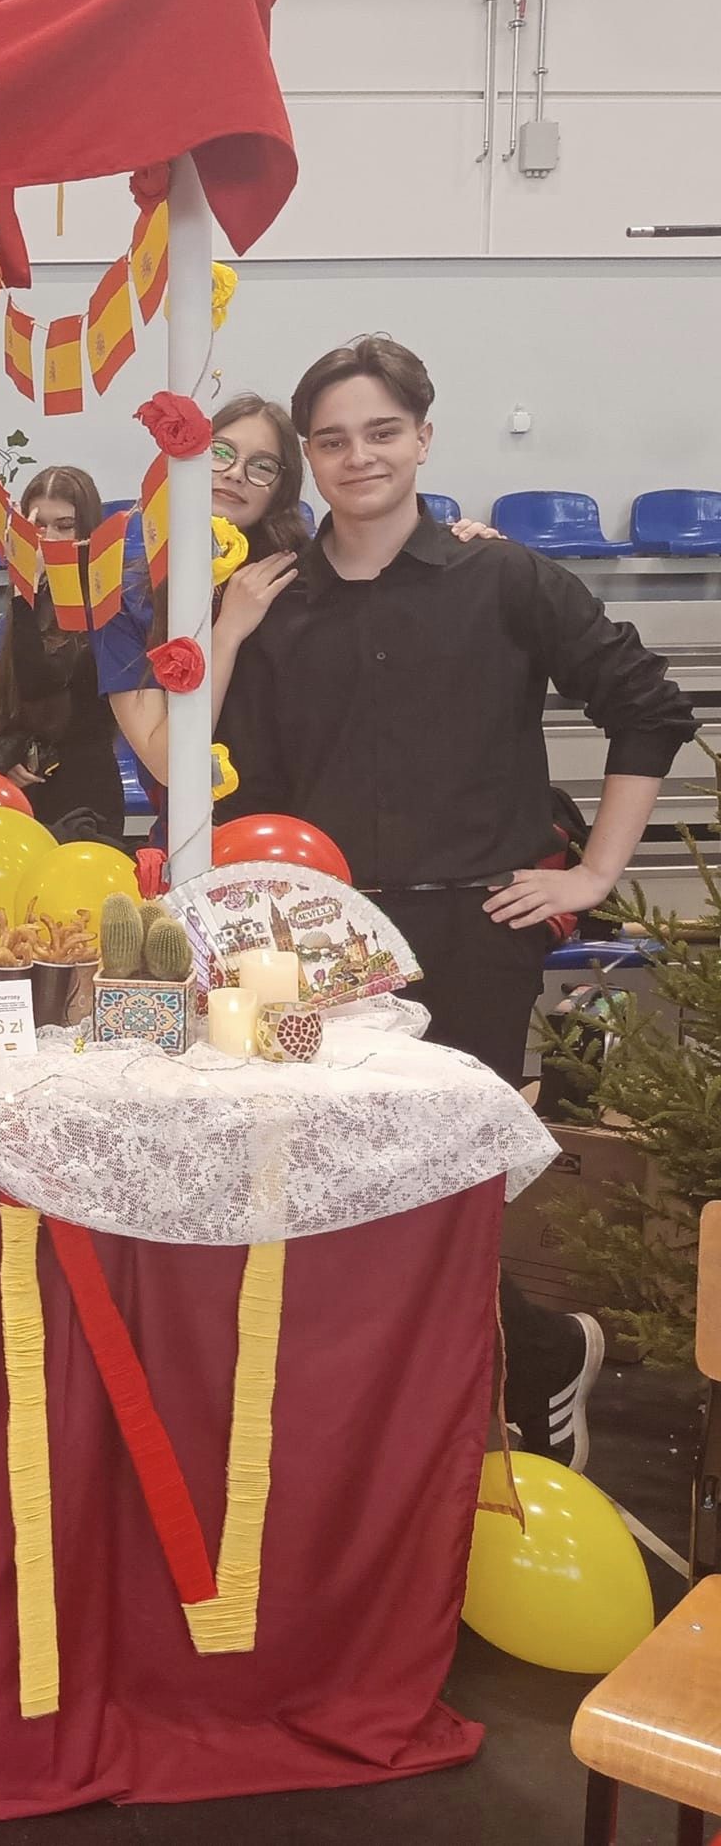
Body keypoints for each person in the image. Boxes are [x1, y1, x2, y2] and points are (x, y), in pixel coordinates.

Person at [220, 334, 698, 1470]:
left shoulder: (505, 577)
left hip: (476, 935)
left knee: (443, 1197)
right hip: (322, 949)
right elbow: (245, 785)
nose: (359, 457)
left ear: (424, 438)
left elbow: (647, 707)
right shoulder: (272, 604)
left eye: (381, 432)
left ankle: (506, 1385)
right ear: (308, 459)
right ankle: (428, 1411)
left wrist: (591, 873)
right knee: (335, 1191)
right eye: (332, 440)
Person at [95, 393, 309, 789]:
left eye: (262, 466)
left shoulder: (301, 577)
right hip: (197, 817)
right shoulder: (125, 595)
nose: (235, 473)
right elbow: (166, 764)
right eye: (220, 452)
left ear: (281, 490)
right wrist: (227, 633)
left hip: (300, 812)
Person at [0, 466, 124, 836]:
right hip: (30, 782)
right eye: (38, 527)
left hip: (86, 789)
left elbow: (42, 681)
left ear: (86, 532)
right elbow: (15, 705)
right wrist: (9, 756)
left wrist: (22, 588)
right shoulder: (30, 603)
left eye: (65, 526)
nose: (49, 539)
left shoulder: (107, 603)